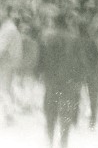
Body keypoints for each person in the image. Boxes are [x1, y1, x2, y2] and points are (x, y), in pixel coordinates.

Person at [38, 12, 82, 148]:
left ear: (54, 22)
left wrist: (39, 73)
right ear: (66, 22)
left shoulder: (46, 37)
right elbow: (79, 61)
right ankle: (64, 141)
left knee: (50, 110)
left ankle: (50, 141)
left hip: (51, 79)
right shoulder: (74, 38)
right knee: (66, 110)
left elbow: (41, 59)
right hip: (68, 80)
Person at [0, 10, 23, 125]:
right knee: (8, 88)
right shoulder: (13, 29)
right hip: (13, 61)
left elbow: (0, 47)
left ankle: (9, 113)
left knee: (3, 89)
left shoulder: (7, 30)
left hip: (5, 62)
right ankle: (11, 110)